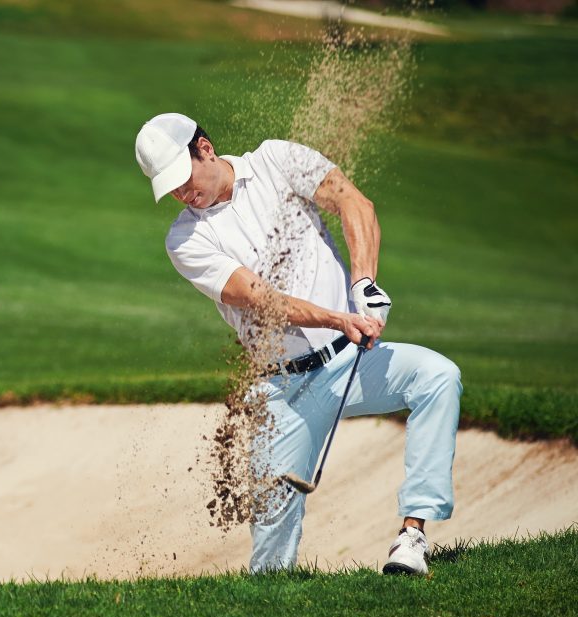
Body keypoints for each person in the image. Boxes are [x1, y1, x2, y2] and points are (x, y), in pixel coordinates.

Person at [134, 113, 462, 575]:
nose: (181, 194)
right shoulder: (185, 238)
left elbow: (354, 203)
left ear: (204, 149)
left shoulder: (275, 160)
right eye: (169, 188)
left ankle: (412, 537)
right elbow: (257, 298)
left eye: (183, 177)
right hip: (281, 393)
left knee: (438, 377)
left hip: (352, 361)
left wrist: (364, 283)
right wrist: (340, 317)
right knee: (270, 564)